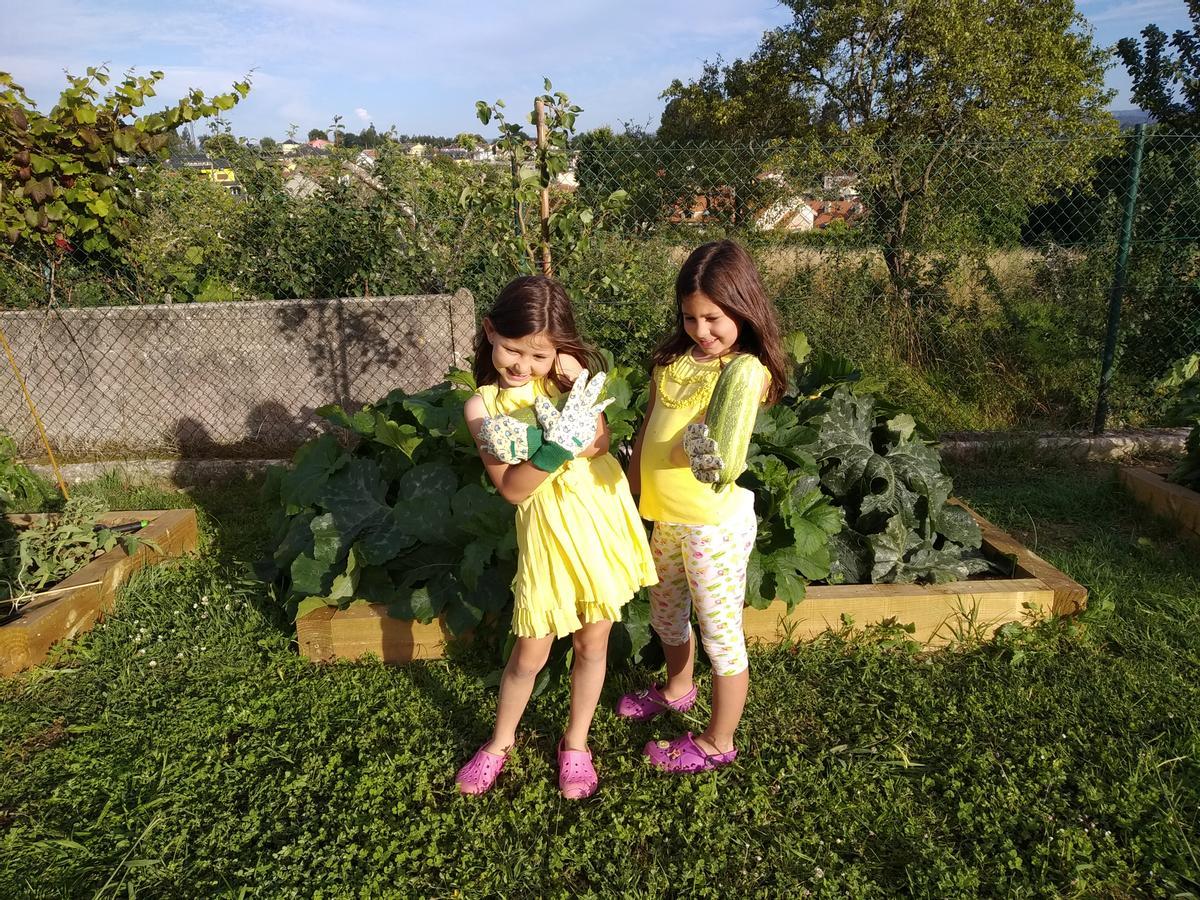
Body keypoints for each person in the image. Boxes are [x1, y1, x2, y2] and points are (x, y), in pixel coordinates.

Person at [455, 275, 657, 798]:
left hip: (598, 519)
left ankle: (576, 744)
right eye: (511, 349)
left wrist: (575, 386)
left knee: (594, 643)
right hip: (546, 536)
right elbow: (512, 489)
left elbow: (602, 440)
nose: (522, 365)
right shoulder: (481, 408)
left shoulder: (564, 380)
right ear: (489, 333)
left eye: (538, 356)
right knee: (529, 654)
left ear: (557, 352)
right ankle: (500, 742)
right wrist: (553, 449)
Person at [622, 240, 788, 773]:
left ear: (744, 308)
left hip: (713, 524)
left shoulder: (745, 373)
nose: (702, 331)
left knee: (720, 631)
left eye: (714, 318)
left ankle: (719, 740)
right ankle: (677, 689)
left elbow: (717, 446)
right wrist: (632, 488)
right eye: (690, 317)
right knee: (667, 615)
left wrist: (686, 448)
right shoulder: (672, 359)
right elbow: (649, 425)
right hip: (666, 515)